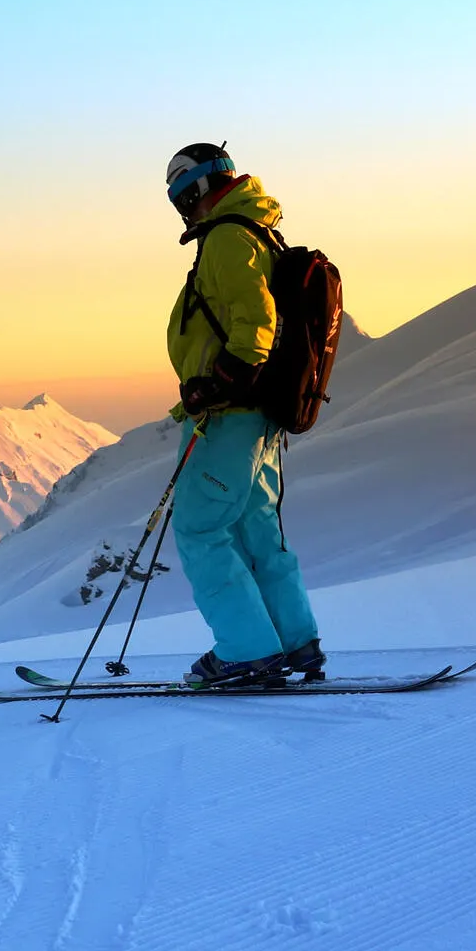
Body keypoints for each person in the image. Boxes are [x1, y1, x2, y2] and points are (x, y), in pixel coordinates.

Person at [162, 142, 326, 687]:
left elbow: (256, 323)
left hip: (231, 412)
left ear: (201, 188)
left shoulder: (231, 238)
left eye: (184, 197)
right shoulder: (257, 232)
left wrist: (220, 383)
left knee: (200, 528)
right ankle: (293, 641)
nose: (185, 211)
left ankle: (247, 650)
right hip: (258, 416)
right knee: (256, 528)